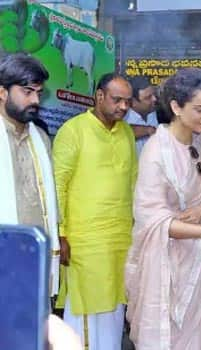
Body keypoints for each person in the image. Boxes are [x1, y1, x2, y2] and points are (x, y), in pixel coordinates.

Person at [125, 69, 201, 349]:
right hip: (162, 263)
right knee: (163, 337)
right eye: (199, 109)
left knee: (193, 334)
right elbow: (153, 220)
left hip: (196, 261)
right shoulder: (156, 150)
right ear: (175, 106)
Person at [53, 73, 137, 350]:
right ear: (99, 96)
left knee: (114, 312)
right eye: (117, 100)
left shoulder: (125, 132)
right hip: (85, 244)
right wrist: (60, 234)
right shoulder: (73, 130)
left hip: (121, 240)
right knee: (89, 313)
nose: (123, 107)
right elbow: (58, 185)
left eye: (127, 101)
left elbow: (134, 183)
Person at [0, 54, 59, 297]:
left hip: (35, 260)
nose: (35, 100)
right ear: (2, 92)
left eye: (38, 92)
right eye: (27, 92)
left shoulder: (41, 138)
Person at [125, 76, 158, 156]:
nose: (154, 99)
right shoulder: (123, 117)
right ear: (133, 102)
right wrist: (148, 130)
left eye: (153, 94)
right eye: (148, 98)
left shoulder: (151, 112)